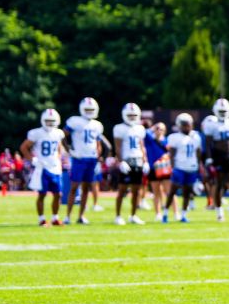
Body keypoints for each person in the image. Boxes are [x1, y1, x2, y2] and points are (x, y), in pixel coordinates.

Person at [20, 108, 66, 226]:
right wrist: (32, 160)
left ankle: (55, 218)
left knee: (58, 194)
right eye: (48, 121)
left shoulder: (58, 133)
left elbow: (59, 147)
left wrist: (59, 158)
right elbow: (24, 147)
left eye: (52, 121)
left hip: (55, 167)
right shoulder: (36, 133)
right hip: (42, 167)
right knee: (42, 194)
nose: (50, 124)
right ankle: (41, 219)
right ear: (42, 121)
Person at [63, 97, 104, 225]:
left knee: (87, 188)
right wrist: (69, 149)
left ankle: (81, 216)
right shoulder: (75, 121)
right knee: (74, 187)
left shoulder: (97, 125)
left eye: (91, 109)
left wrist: (98, 156)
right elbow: (62, 136)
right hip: (79, 158)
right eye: (87, 109)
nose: (89, 111)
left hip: (91, 159)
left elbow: (98, 144)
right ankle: (68, 216)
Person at [112, 102, 150, 225]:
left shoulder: (140, 128)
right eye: (130, 115)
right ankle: (118, 216)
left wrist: (145, 161)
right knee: (122, 190)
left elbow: (142, 146)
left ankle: (133, 215)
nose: (132, 117)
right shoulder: (119, 128)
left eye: (134, 115)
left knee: (136, 191)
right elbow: (117, 147)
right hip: (127, 161)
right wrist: (121, 161)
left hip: (138, 161)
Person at [165, 113, 203, 223]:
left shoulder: (196, 137)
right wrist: (172, 167)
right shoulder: (174, 137)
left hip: (191, 167)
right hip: (179, 167)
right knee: (173, 191)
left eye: (188, 125)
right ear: (179, 125)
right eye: (184, 125)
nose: (187, 127)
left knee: (187, 193)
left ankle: (183, 215)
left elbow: (198, 152)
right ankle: (166, 213)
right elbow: (172, 154)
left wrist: (199, 165)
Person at [145, 122, 172, 222]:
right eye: (157, 128)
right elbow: (144, 132)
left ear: (164, 131)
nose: (158, 130)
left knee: (169, 192)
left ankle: (176, 212)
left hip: (165, 169)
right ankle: (158, 213)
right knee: (156, 192)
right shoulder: (150, 140)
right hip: (154, 168)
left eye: (161, 129)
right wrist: (152, 128)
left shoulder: (167, 141)